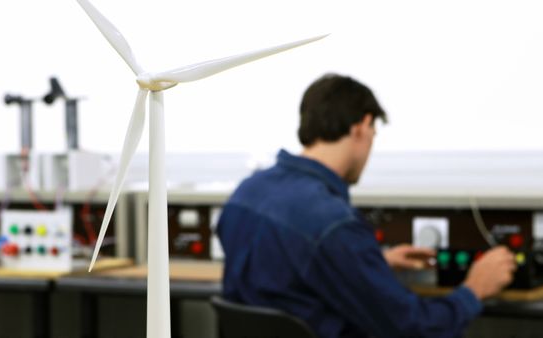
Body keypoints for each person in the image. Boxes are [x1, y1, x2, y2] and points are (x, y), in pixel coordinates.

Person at [216, 73, 517, 338]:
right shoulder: (334, 224)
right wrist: (474, 289)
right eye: (374, 133)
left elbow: (282, 281)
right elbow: (413, 328)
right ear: (363, 126)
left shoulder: (247, 193)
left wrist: (372, 262)